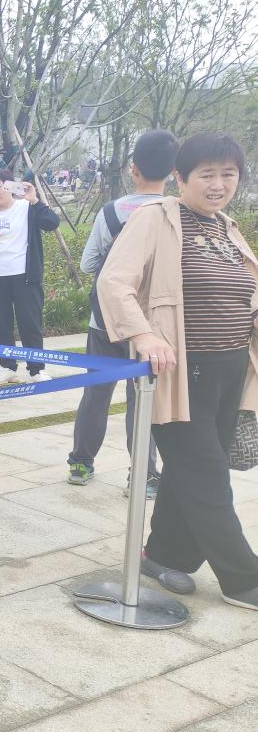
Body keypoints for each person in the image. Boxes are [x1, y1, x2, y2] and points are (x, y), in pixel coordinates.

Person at [99, 133, 258, 610]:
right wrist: (143, 335)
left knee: (191, 469)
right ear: (180, 177)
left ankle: (165, 554)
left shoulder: (227, 228)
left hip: (231, 369)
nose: (218, 184)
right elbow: (114, 282)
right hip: (178, 372)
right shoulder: (157, 218)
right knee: (207, 475)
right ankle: (243, 578)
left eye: (228, 174)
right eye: (207, 174)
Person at [68, 129, 177, 494]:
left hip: (106, 321)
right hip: (153, 328)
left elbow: (88, 264)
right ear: (173, 172)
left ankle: (81, 463)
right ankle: (143, 475)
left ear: (134, 169)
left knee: (95, 394)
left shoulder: (112, 211)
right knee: (142, 399)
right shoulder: (176, 214)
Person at [0, 171, 59, 384]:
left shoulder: (27, 207)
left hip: (25, 276)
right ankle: (8, 367)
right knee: (2, 325)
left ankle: (36, 369)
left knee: (30, 324)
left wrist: (35, 201)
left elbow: (52, 223)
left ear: (10, 186)